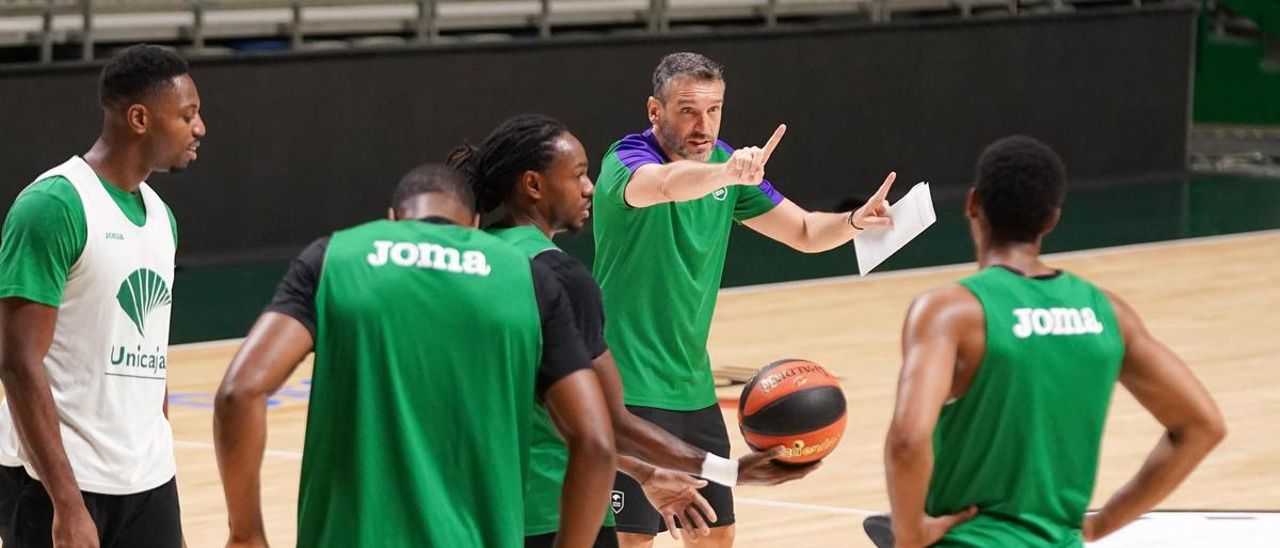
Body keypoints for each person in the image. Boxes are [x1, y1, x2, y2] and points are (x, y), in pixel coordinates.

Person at [450, 115, 817, 548]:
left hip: (467, 508)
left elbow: (532, 408)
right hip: (551, 509)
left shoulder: (466, 261)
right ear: (533, 185)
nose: (590, 188)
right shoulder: (560, 278)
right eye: (579, 175)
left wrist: (645, 472)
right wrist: (729, 471)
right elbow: (607, 425)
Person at [213, 164, 616, 548]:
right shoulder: (528, 278)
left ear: (393, 219)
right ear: (475, 223)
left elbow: (239, 392)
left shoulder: (336, 257)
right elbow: (596, 443)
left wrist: (246, 533)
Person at [592, 51, 895, 547]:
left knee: (716, 535)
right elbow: (665, 186)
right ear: (655, 111)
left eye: (713, 111)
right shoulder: (626, 161)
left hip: (691, 385)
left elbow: (803, 230)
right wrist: (728, 174)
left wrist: (855, 223)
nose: (703, 124)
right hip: (626, 385)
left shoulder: (725, 167)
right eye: (688, 110)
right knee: (633, 540)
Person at [876, 136, 1227, 547]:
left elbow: (908, 440)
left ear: (973, 204)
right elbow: (1203, 425)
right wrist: (1102, 523)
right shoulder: (1108, 313)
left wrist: (910, 534)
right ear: (1052, 220)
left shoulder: (950, 312)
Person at [0, 44, 205, 548]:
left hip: (149, 484)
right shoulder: (55, 205)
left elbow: (151, 350)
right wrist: (67, 505)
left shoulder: (162, 217)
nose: (199, 128)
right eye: (188, 115)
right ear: (139, 117)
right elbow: (17, 361)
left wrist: (158, 449)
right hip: (61, 487)